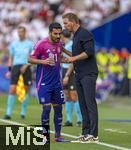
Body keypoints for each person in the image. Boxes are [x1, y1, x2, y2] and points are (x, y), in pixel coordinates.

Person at [28, 22, 69, 142]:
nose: (58, 36)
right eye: (55, 33)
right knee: (46, 109)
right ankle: (44, 136)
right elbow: (30, 59)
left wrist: (66, 59)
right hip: (44, 83)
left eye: (59, 34)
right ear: (50, 32)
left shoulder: (60, 44)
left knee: (58, 109)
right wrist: (43, 62)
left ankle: (58, 136)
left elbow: (59, 57)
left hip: (57, 83)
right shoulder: (41, 44)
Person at [62, 13, 99, 143]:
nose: (64, 26)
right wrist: (64, 51)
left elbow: (89, 52)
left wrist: (73, 58)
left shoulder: (85, 33)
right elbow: (76, 55)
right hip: (79, 74)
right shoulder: (76, 35)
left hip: (88, 73)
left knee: (90, 104)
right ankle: (85, 133)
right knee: (82, 105)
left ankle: (93, 135)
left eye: (66, 23)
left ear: (73, 22)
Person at [5, 26, 33, 119]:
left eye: (21, 32)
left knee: (25, 90)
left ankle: (23, 112)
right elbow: (11, 58)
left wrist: (26, 65)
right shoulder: (14, 44)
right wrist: (9, 70)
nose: (20, 34)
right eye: (18, 32)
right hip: (16, 67)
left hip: (26, 67)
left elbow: (33, 57)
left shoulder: (30, 44)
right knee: (12, 89)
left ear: (25, 33)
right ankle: (8, 113)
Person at [61, 29, 82, 127]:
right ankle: (69, 120)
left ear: (62, 36)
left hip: (71, 72)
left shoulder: (73, 44)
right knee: (67, 96)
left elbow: (74, 61)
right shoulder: (62, 45)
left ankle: (79, 119)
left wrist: (67, 75)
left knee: (74, 95)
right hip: (64, 70)